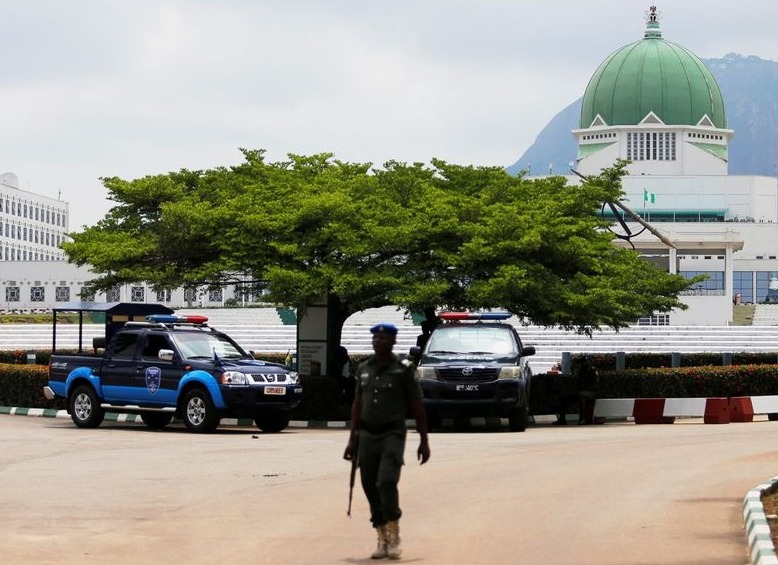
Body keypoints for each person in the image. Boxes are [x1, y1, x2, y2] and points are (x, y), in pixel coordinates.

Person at [343, 322, 431, 560]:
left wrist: (424, 441)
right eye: (375, 338)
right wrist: (352, 440)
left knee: (386, 481)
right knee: (369, 485)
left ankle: (394, 534)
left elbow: (417, 405)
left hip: (392, 433)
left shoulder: (403, 370)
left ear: (393, 341)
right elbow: (357, 405)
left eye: (383, 338)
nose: (377, 341)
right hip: (367, 435)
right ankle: (381, 536)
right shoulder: (363, 369)